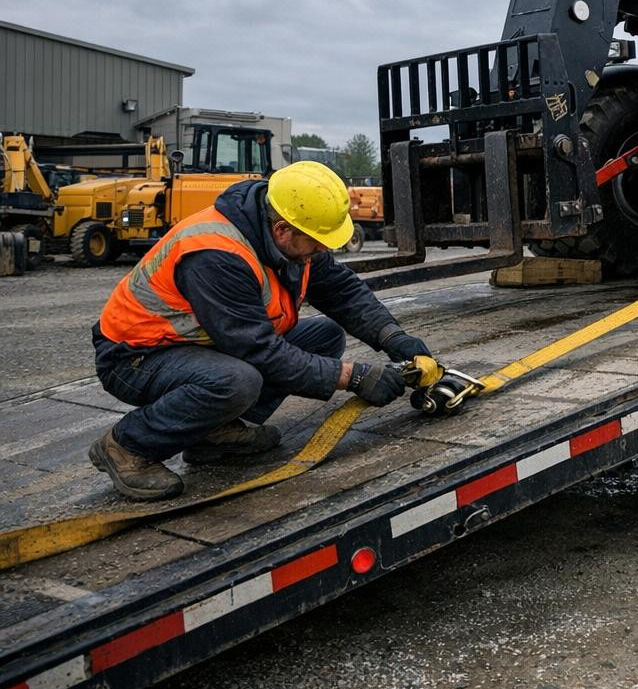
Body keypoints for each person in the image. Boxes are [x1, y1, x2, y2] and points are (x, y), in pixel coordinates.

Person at [89, 161, 432, 501]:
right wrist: (354, 377)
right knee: (237, 380)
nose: (323, 251)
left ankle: (215, 434)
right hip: (136, 357)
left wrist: (392, 336)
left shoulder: (290, 238)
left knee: (324, 336)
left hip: (198, 346)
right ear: (283, 229)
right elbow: (257, 351)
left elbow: (341, 291)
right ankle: (128, 445)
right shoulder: (216, 254)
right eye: (317, 242)